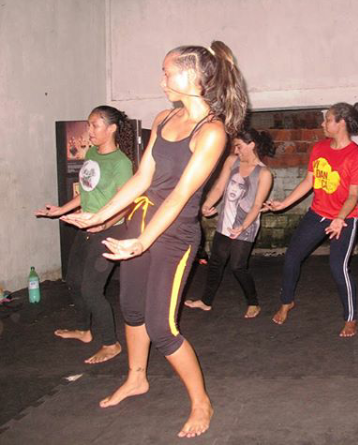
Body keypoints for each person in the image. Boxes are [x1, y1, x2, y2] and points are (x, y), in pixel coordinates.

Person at [62, 42, 248, 438]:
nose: (161, 79)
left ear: (192, 77)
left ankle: (201, 402)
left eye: (167, 72)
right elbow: (142, 178)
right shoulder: (164, 118)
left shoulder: (211, 132)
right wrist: (100, 214)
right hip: (141, 223)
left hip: (174, 236)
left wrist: (144, 241)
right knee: (131, 310)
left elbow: (180, 196)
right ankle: (136, 378)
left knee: (162, 328)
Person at [35, 105, 134, 364]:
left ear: (111, 128)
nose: (89, 130)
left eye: (94, 125)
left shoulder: (121, 163)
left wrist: (103, 223)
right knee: (73, 280)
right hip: (87, 227)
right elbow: (86, 192)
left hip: (109, 230)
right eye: (88, 124)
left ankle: (111, 344)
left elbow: (127, 202)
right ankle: (83, 330)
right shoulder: (91, 153)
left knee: (91, 289)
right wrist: (60, 210)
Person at [266, 102, 358, 338]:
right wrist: (284, 203)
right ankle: (287, 301)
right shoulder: (320, 148)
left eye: (328, 119)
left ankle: (350, 318)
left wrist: (339, 218)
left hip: (345, 218)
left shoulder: (357, 157)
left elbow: (353, 195)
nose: (323, 124)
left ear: (341, 123)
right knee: (292, 256)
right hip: (317, 213)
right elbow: (309, 181)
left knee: (338, 267)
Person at [184, 129, 274, 318]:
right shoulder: (232, 161)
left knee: (237, 266)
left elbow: (257, 205)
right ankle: (206, 301)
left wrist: (243, 226)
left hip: (246, 225)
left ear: (251, 145)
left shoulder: (264, 173)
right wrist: (207, 205)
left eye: (239, 146)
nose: (235, 150)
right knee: (216, 262)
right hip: (226, 221)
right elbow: (219, 187)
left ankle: (253, 303)